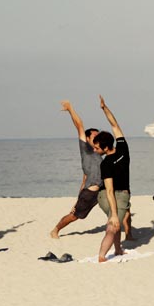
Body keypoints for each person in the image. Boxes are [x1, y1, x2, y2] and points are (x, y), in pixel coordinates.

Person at [51, 100, 103, 239]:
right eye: (95, 136)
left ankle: (127, 234)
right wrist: (70, 109)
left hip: (102, 191)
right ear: (87, 138)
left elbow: (85, 176)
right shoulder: (86, 149)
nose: (98, 138)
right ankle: (55, 230)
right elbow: (79, 125)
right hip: (89, 194)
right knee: (74, 216)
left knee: (117, 210)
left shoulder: (99, 151)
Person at [95, 96, 132, 262]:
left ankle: (118, 249)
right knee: (113, 225)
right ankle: (102, 256)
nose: (95, 150)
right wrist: (105, 108)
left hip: (104, 196)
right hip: (115, 196)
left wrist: (104, 108)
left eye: (97, 147)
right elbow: (115, 125)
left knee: (114, 223)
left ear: (105, 147)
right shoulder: (123, 149)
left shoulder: (106, 163)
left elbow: (114, 125)